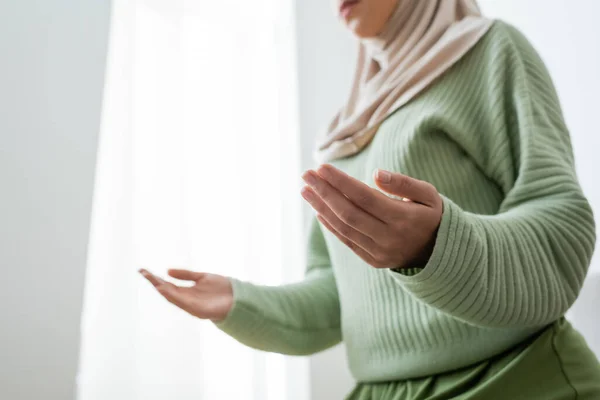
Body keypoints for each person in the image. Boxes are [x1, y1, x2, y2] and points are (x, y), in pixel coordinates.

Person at [140, 0, 600, 398]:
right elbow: (339, 298)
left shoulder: (492, 50)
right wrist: (240, 303)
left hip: (521, 380)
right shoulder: (347, 124)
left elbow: (561, 224)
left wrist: (437, 247)